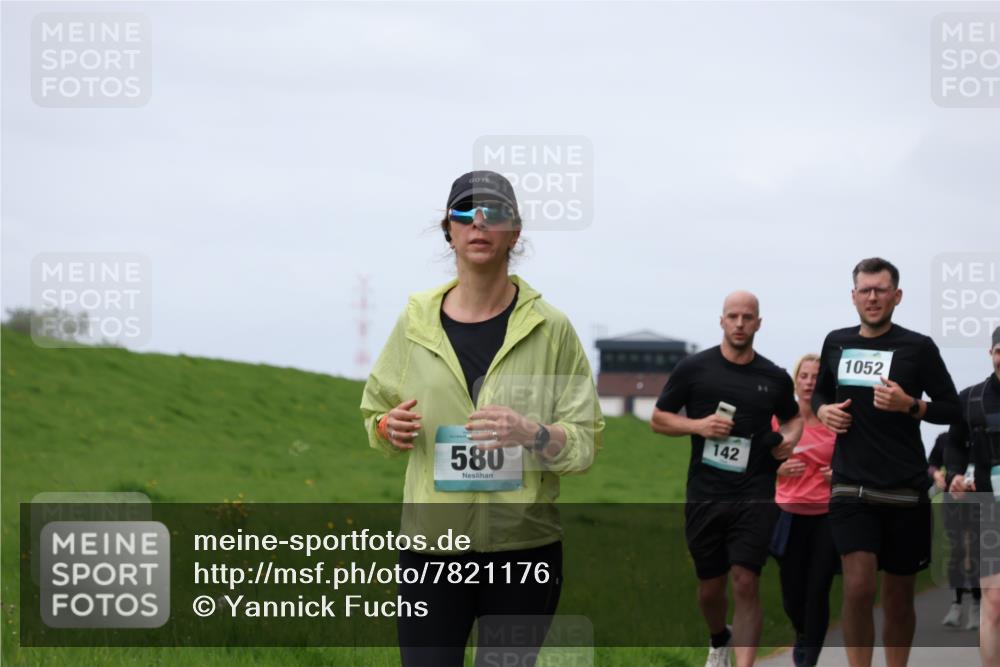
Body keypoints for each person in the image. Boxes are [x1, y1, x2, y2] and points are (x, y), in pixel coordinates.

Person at [360, 170, 603, 667]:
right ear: (448, 229)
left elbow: (584, 441)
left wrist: (532, 434)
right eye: (464, 214)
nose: (478, 224)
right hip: (431, 550)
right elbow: (376, 412)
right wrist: (388, 428)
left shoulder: (551, 329)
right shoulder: (414, 323)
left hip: (523, 548)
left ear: (515, 231)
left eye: (493, 214)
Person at [813, 257, 960, 667]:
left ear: (897, 296)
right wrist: (823, 411)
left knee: (898, 600)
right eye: (865, 290)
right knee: (859, 588)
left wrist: (909, 404)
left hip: (904, 489)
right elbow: (818, 394)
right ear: (853, 296)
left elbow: (950, 408)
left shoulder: (918, 347)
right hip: (850, 487)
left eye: (881, 290)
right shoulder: (836, 342)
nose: (872, 297)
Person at [651, 291, 803, 667]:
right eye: (733, 316)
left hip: (755, 492)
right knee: (710, 589)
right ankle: (719, 638)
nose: (739, 323)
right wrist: (699, 425)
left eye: (747, 317)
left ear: (758, 323)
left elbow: (794, 418)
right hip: (706, 493)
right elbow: (659, 418)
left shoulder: (774, 377)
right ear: (721, 320)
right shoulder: (694, 369)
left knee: (746, 580)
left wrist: (788, 440)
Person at [772, 353, 838, 667]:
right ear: (796, 381)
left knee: (818, 590)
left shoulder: (835, 420)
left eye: (816, 376)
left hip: (826, 516)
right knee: (792, 594)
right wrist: (778, 470)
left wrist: (840, 475)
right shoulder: (779, 418)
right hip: (788, 514)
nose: (810, 382)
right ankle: (801, 633)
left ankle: (808, 660)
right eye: (805, 376)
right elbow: (758, 461)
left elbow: (855, 460)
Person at [945, 325, 1000, 665]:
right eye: (999, 350)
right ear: (991, 353)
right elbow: (954, 445)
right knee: (994, 603)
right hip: (990, 509)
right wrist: (953, 476)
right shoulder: (971, 399)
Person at [930, 431, 981, 630]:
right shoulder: (944, 439)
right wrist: (937, 475)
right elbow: (932, 463)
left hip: (977, 501)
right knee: (957, 550)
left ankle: (977, 604)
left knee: (977, 552)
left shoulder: (982, 436)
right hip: (953, 503)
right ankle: (956, 604)